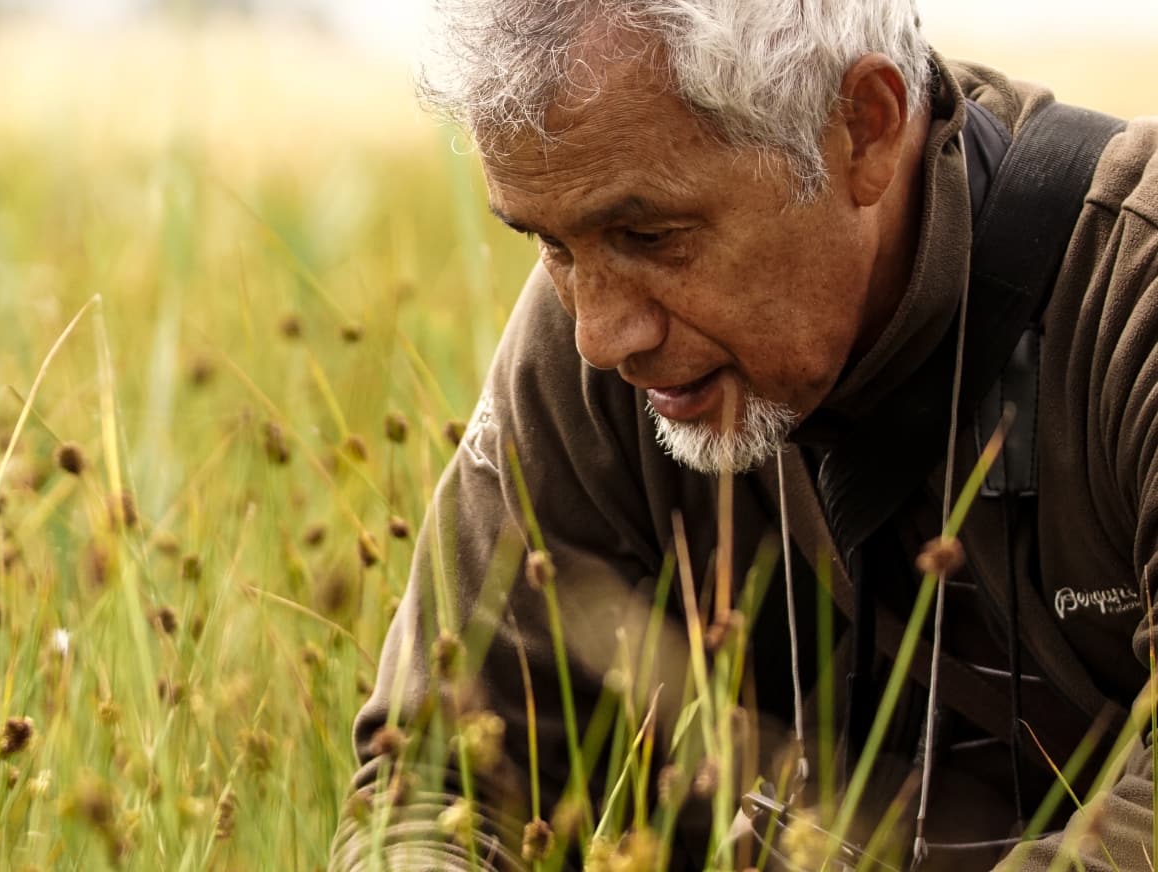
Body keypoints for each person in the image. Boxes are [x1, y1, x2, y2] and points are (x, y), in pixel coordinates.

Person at [329, 2, 1158, 870]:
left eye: (652, 237)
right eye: (551, 247)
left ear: (863, 129)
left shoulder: (1131, 295)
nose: (602, 340)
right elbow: (435, 791)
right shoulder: (603, 336)